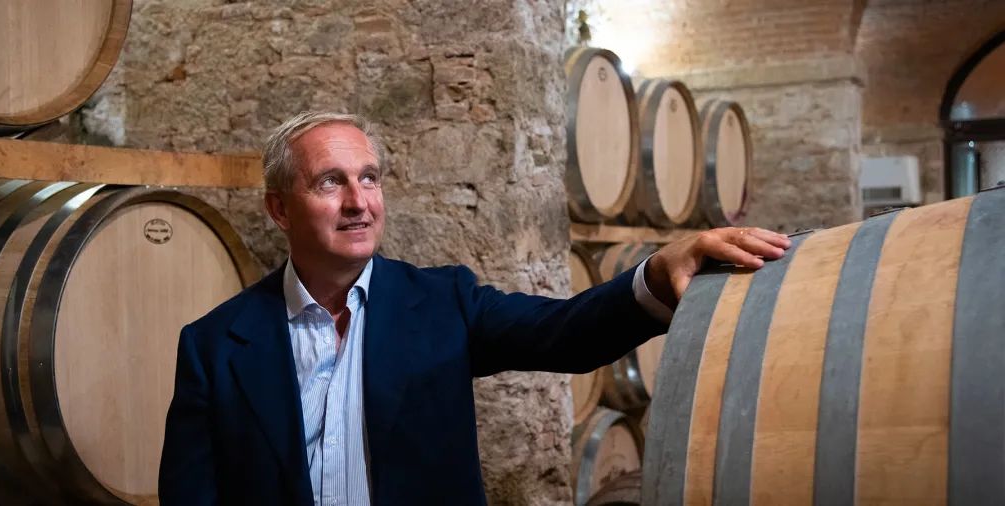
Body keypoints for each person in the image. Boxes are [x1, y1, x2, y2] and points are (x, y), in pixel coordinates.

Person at [158, 111, 790, 505]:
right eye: (331, 182)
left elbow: (565, 333)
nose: (359, 201)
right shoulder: (214, 345)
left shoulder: (442, 303)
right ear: (279, 209)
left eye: (369, 178)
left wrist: (656, 272)